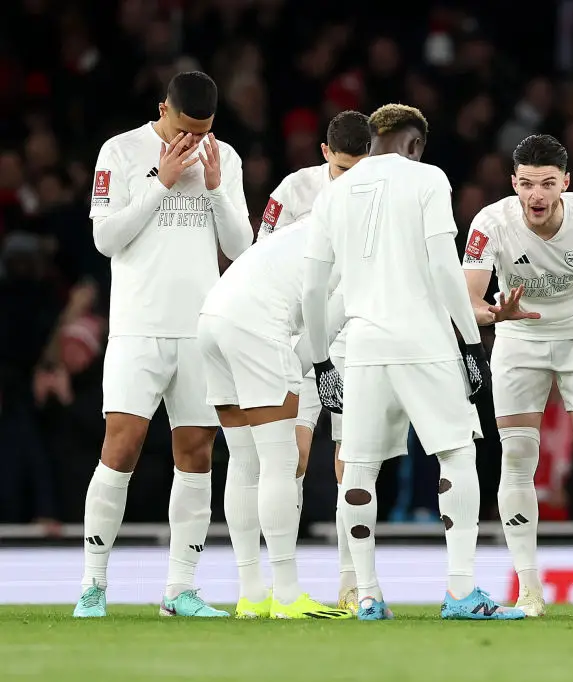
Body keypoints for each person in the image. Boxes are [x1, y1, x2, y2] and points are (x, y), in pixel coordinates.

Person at [301, 103, 524, 621]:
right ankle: (461, 592)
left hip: (363, 345)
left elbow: (313, 289)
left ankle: (368, 596)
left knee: (358, 466)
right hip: (424, 341)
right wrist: (471, 344)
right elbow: (445, 268)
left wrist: (320, 361)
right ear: (416, 143)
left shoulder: (334, 192)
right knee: (456, 456)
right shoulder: (427, 179)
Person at [75, 71, 253, 618]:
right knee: (121, 447)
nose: (193, 139)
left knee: (196, 454)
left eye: (203, 130)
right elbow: (105, 238)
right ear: (163, 110)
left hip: (200, 327)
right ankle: (92, 585)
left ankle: (179, 590)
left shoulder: (223, 157)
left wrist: (216, 188)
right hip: (138, 325)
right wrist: (161, 181)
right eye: (184, 128)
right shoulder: (120, 151)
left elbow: (241, 246)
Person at [463, 134, 573, 617]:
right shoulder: (490, 223)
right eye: (526, 184)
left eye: (546, 183)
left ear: (565, 183)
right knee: (517, 456)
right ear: (513, 182)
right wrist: (494, 315)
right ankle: (529, 590)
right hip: (519, 335)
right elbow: (469, 300)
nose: (535, 195)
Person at [198, 218, 350, 619]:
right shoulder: (365, 244)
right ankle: (286, 595)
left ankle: (251, 595)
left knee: (244, 461)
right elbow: (325, 327)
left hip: (212, 316)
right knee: (280, 461)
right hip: (256, 321)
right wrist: (312, 370)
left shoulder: (316, 224)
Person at [251, 109, 371, 613]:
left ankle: (351, 583)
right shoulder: (294, 190)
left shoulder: (381, 195)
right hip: (298, 333)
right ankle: (285, 585)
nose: (349, 179)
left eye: (358, 169)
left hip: (354, 330)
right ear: (325, 154)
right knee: (291, 456)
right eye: (341, 169)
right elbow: (259, 257)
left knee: (351, 460)